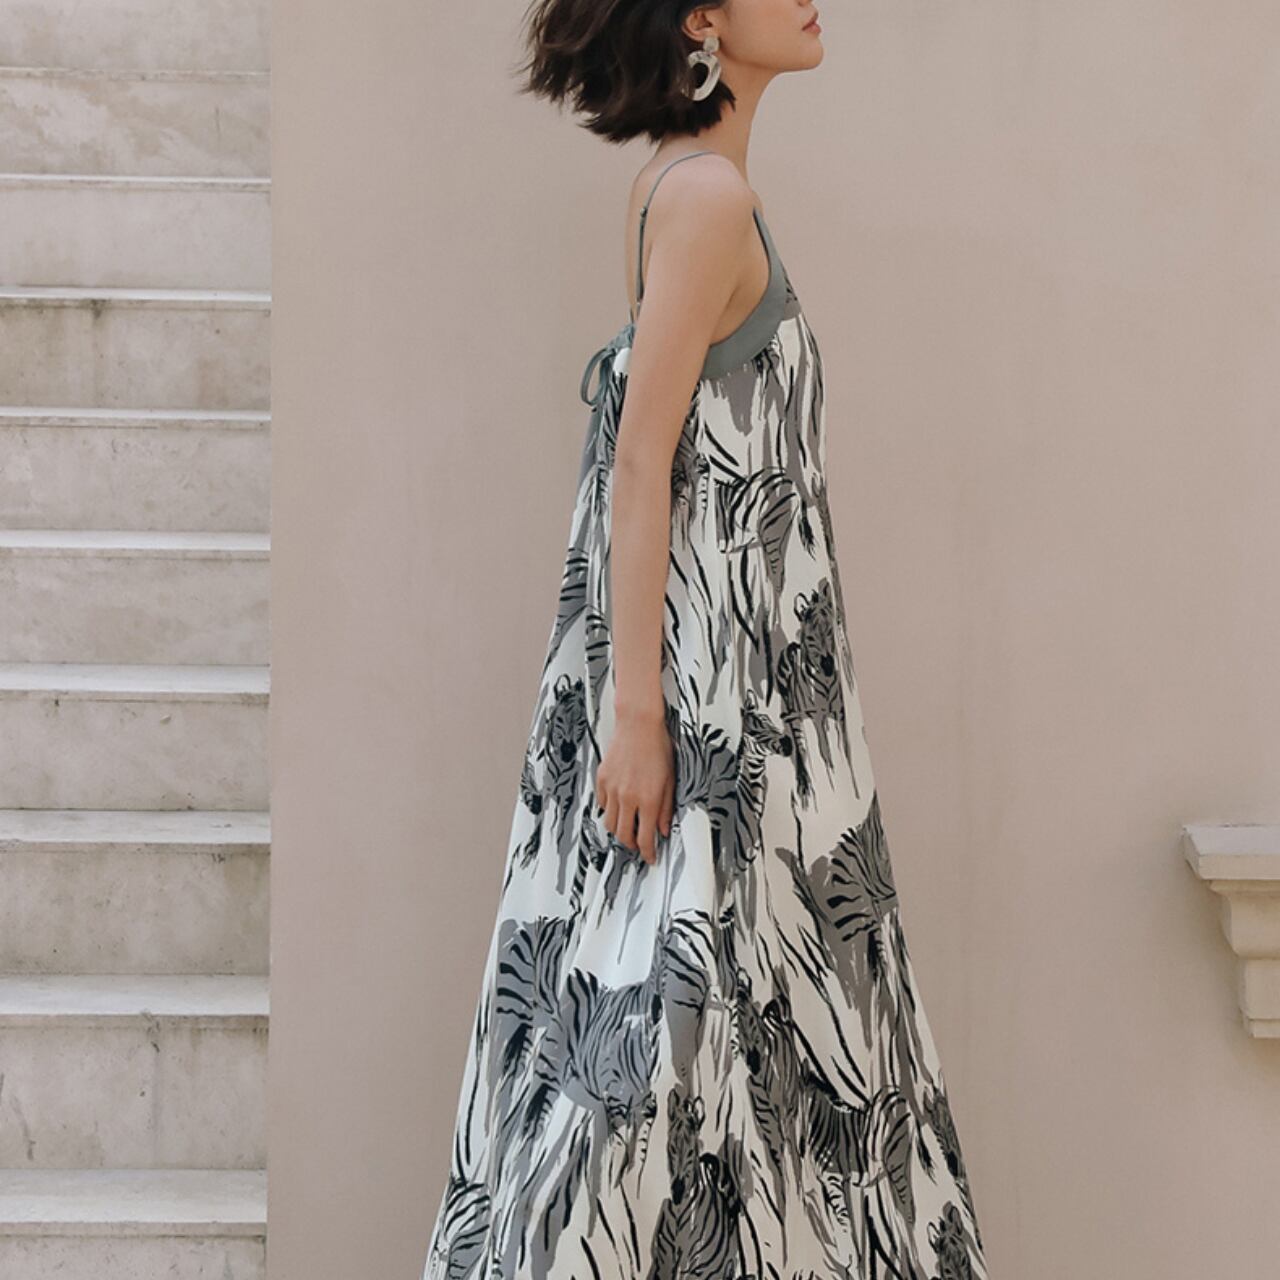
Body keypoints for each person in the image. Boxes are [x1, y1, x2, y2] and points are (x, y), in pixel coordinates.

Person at [422, 2, 990, 1277]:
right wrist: (638, 715)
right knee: (667, 1049)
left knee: (740, 1048)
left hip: (752, 700)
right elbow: (641, 462)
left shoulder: (696, 191)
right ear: (701, 21)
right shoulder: (703, 201)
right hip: (710, 705)